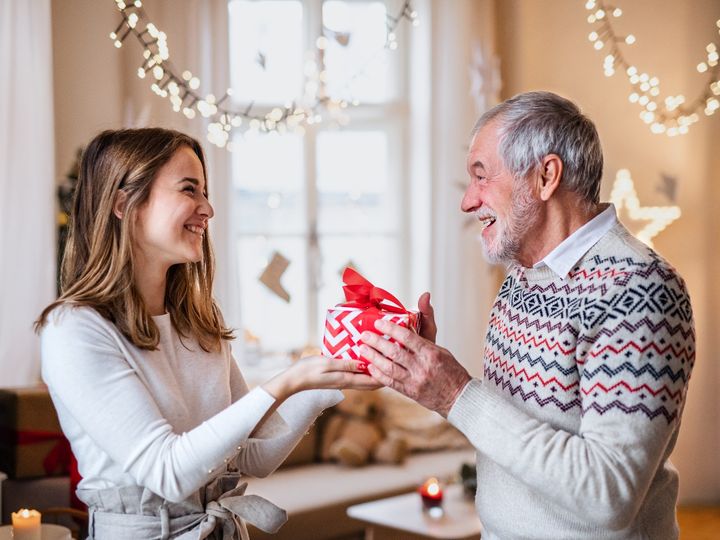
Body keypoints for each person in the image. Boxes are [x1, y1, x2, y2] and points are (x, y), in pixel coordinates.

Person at [360, 91, 695, 539]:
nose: (467, 201)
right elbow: (513, 429)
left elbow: (608, 494)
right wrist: (430, 380)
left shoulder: (639, 289)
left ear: (545, 175)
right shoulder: (522, 277)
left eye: (481, 177)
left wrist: (456, 394)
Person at [35, 128, 378, 539]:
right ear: (125, 204)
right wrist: (287, 381)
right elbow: (168, 472)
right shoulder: (74, 329)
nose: (208, 209)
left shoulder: (196, 321)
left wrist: (333, 376)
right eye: (189, 190)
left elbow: (253, 458)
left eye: (206, 191)